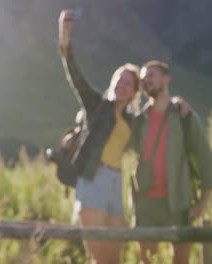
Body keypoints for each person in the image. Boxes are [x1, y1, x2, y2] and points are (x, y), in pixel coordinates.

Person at [59, 9, 141, 264]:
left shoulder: (131, 120)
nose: (121, 84)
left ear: (133, 93)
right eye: (119, 79)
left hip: (117, 182)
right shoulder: (96, 104)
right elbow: (74, 74)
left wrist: (178, 105)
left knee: (115, 255)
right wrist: (64, 36)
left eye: (128, 83)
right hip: (93, 178)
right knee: (99, 253)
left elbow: (160, 116)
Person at [131, 60, 212, 264]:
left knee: (181, 261)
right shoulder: (138, 120)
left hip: (178, 202)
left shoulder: (183, 116)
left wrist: (202, 203)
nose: (146, 80)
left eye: (151, 75)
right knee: (147, 261)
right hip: (145, 204)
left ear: (166, 78)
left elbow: (206, 157)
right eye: (143, 78)